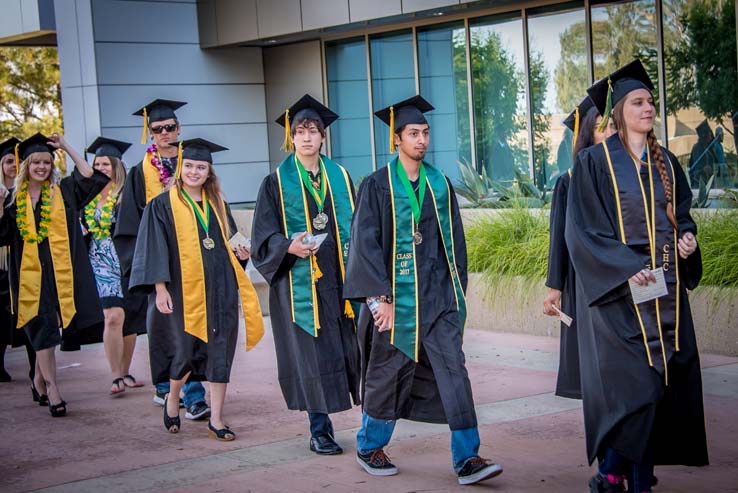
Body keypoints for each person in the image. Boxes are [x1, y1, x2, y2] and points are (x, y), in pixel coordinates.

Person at [343, 95, 502, 485]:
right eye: (413, 133)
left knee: (455, 375)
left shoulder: (439, 185)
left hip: (437, 303)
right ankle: (369, 445)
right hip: (396, 304)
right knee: (387, 376)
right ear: (397, 139)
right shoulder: (377, 185)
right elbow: (364, 244)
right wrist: (379, 301)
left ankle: (468, 457)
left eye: (425, 133)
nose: (421, 140)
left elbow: (456, 245)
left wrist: (454, 296)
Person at [565, 60, 708, 493]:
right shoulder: (594, 163)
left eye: (651, 102)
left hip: (667, 299)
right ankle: (612, 471)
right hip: (620, 300)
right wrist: (629, 268)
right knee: (641, 390)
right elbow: (583, 232)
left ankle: (632, 480)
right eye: (639, 102)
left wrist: (687, 239)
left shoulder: (666, 162)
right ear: (620, 112)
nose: (649, 108)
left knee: (661, 390)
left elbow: (681, 215)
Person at [129, 138, 264, 440]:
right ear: (179, 167)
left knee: (220, 354)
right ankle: (173, 397)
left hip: (220, 291)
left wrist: (242, 253)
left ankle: (216, 418)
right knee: (185, 353)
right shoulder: (161, 206)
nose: (194, 171)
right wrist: (160, 289)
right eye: (188, 165)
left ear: (209, 172)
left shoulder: (218, 204)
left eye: (200, 167)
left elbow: (231, 241)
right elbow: (154, 249)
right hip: (183, 293)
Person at [251, 94, 360, 455]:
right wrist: (288, 247)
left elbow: (359, 227)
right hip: (300, 285)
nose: (308, 137)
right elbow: (262, 237)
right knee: (311, 356)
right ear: (291, 137)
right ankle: (320, 430)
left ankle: (368, 423)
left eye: (314, 130)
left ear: (323, 136)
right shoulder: (275, 183)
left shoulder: (341, 177)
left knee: (349, 349)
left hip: (339, 281)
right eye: (300, 131)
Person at [0, 133, 108, 417]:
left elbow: (90, 175)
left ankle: (38, 379)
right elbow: (1, 235)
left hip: (60, 274)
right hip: (28, 278)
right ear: (26, 166)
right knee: (44, 330)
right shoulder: (13, 200)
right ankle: (53, 388)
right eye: (35, 162)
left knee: (50, 329)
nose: (41, 167)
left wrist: (65, 147)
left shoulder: (63, 193)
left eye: (46, 162)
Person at [114, 99, 210, 419]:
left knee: (193, 326)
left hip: (193, 256)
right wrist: (142, 264)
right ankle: (170, 388)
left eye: (170, 128)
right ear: (150, 133)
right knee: (166, 329)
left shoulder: (193, 162)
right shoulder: (139, 173)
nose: (165, 133)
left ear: (179, 129)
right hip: (159, 260)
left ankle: (193, 393)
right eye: (158, 130)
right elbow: (129, 224)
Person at [543, 96, 612, 400]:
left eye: (612, 125)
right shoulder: (568, 181)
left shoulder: (627, 175)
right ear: (587, 134)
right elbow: (559, 237)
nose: (608, 133)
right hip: (582, 278)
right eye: (600, 127)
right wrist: (554, 288)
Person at [83, 136, 145, 395]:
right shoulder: (86, 195)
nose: (101, 168)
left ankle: (126, 370)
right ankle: (115, 375)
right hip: (98, 260)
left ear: (117, 165)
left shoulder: (127, 193)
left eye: (106, 164)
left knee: (127, 318)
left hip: (125, 258)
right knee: (112, 317)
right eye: (97, 164)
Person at [0, 137, 37, 385]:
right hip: (2, 263)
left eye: (17, 161)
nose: (14, 165)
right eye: (9, 161)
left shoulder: (29, 191)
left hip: (26, 259)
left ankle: (37, 370)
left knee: (31, 315)